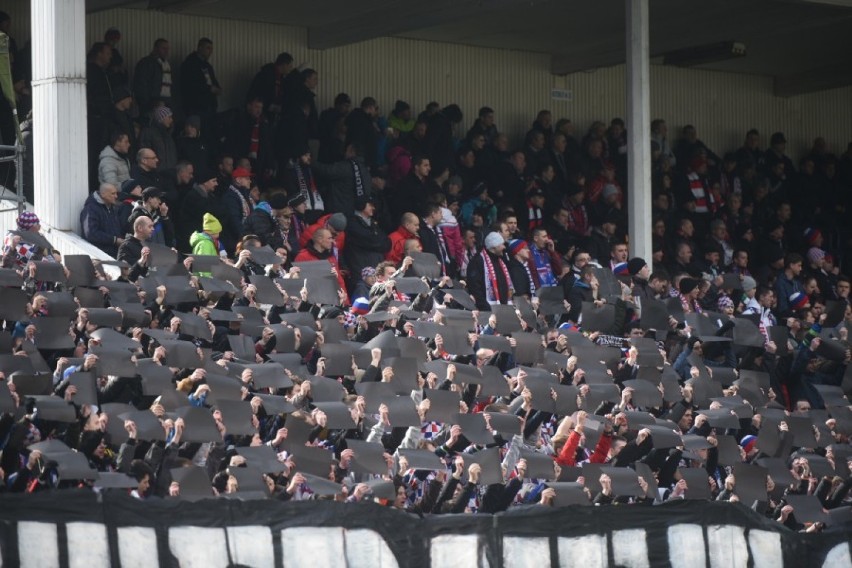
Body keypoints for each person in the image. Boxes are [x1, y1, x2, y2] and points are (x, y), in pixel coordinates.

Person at [344, 196, 390, 288]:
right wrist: (377, 242)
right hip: (360, 268)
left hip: (376, 265)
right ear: (361, 205)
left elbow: (387, 243)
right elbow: (366, 239)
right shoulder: (351, 222)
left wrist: (375, 241)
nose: (373, 208)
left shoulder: (374, 224)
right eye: (370, 205)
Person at [179, 38, 220, 142]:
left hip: (209, 107)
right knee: (196, 136)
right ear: (200, 48)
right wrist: (209, 89)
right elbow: (190, 85)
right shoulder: (190, 64)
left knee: (208, 135)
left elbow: (214, 82)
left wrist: (217, 89)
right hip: (195, 107)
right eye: (208, 48)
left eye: (211, 49)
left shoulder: (207, 66)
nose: (210, 51)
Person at [294, 228, 348, 295]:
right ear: (320, 240)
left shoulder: (331, 259)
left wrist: (345, 303)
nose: (332, 241)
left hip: (331, 301)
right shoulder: (303, 257)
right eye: (329, 238)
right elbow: (297, 282)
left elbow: (340, 282)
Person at [467, 231, 512, 310]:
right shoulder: (478, 261)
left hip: (504, 308)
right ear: (494, 247)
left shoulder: (501, 260)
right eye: (501, 244)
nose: (504, 247)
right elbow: (475, 287)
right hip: (487, 309)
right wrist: (485, 307)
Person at [80, 183, 124, 257]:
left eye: (116, 193)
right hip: (98, 255)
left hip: (113, 254)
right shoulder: (90, 209)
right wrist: (114, 240)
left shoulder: (113, 208)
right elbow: (91, 233)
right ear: (103, 194)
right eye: (113, 194)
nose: (116, 196)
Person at [132, 38, 172, 115]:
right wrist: (147, 102)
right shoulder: (145, 63)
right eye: (163, 48)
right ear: (155, 48)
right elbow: (140, 85)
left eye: (167, 49)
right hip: (151, 104)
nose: (166, 51)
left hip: (166, 102)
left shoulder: (166, 64)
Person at [138, 106, 177, 172]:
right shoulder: (148, 132)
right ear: (162, 118)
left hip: (169, 174)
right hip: (155, 174)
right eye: (169, 117)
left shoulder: (168, 134)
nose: (171, 120)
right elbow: (144, 154)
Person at [117, 216, 153, 282]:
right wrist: (141, 261)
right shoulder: (126, 247)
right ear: (140, 228)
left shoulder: (149, 245)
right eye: (150, 227)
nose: (153, 229)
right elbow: (126, 275)